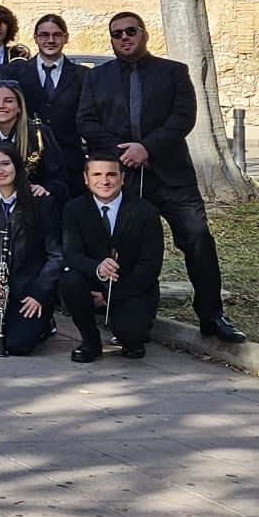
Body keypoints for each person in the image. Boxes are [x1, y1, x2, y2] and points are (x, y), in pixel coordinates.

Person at [76, 11, 244, 343]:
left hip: (171, 177)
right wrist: (125, 151)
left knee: (197, 240)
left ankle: (212, 315)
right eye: (117, 34)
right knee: (129, 248)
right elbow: (86, 121)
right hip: (125, 178)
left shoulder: (173, 72)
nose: (124, 38)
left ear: (144, 34)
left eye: (130, 31)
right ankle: (130, 311)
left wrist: (147, 148)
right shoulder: (97, 78)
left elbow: (184, 117)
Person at [60, 150, 164, 363]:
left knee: (132, 336)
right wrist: (97, 268)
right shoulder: (74, 209)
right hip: (91, 282)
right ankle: (90, 341)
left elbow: (150, 267)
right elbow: (72, 255)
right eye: (97, 175)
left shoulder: (146, 212)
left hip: (131, 287)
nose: (104, 181)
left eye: (111, 175)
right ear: (86, 179)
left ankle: (131, 337)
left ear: (122, 178)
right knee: (69, 280)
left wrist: (109, 296)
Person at [0, 145, 62, 356]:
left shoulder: (42, 202)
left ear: (17, 166)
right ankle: (3, 327)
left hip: (30, 287)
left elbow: (56, 256)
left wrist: (39, 294)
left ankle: (41, 324)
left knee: (19, 347)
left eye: (5, 163)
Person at [10, 14, 87, 192]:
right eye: (44, 35)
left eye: (57, 35)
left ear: (65, 38)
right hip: (29, 162)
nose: (50, 40)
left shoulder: (83, 75)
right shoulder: (17, 72)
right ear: (35, 38)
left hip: (70, 164)